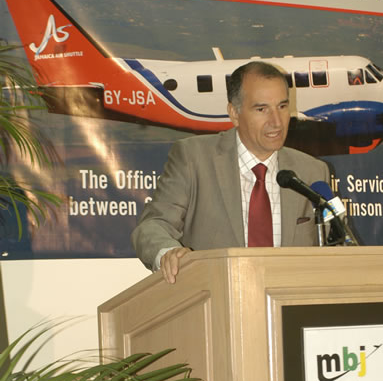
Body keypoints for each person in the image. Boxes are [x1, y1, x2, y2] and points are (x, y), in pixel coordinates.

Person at [132, 61, 331, 283]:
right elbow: (153, 225)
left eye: (283, 106)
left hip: (290, 307)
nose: (276, 122)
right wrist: (167, 253)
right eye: (262, 109)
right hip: (216, 303)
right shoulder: (194, 158)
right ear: (234, 114)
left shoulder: (313, 171)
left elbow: (336, 247)